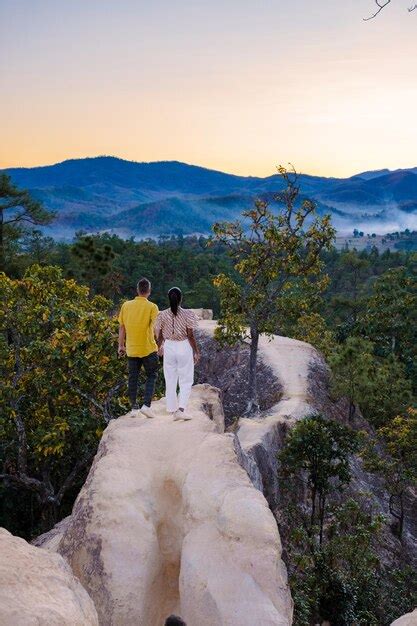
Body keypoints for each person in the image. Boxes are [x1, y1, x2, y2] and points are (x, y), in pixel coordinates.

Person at [154, 287, 200, 420]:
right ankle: (181, 409)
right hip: (183, 346)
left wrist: (159, 347)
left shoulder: (162, 314)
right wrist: (196, 352)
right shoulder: (188, 314)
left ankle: (172, 409)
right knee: (185, 379)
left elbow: (160, 335)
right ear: (181, 299)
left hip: (169, 347)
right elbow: (190, 335)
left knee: (170, 378)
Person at [118, 277, 159, 418]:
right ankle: (146, 406)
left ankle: (134, 408)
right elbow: (156, 328)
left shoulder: (126, 306)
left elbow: (122, 328)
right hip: (148, 348)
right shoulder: (152, 307)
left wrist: (120, 345)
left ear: (137, 290)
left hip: (132, 348)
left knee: (133, 378)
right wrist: (160, 345)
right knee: (152, 375)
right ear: (149, 291)